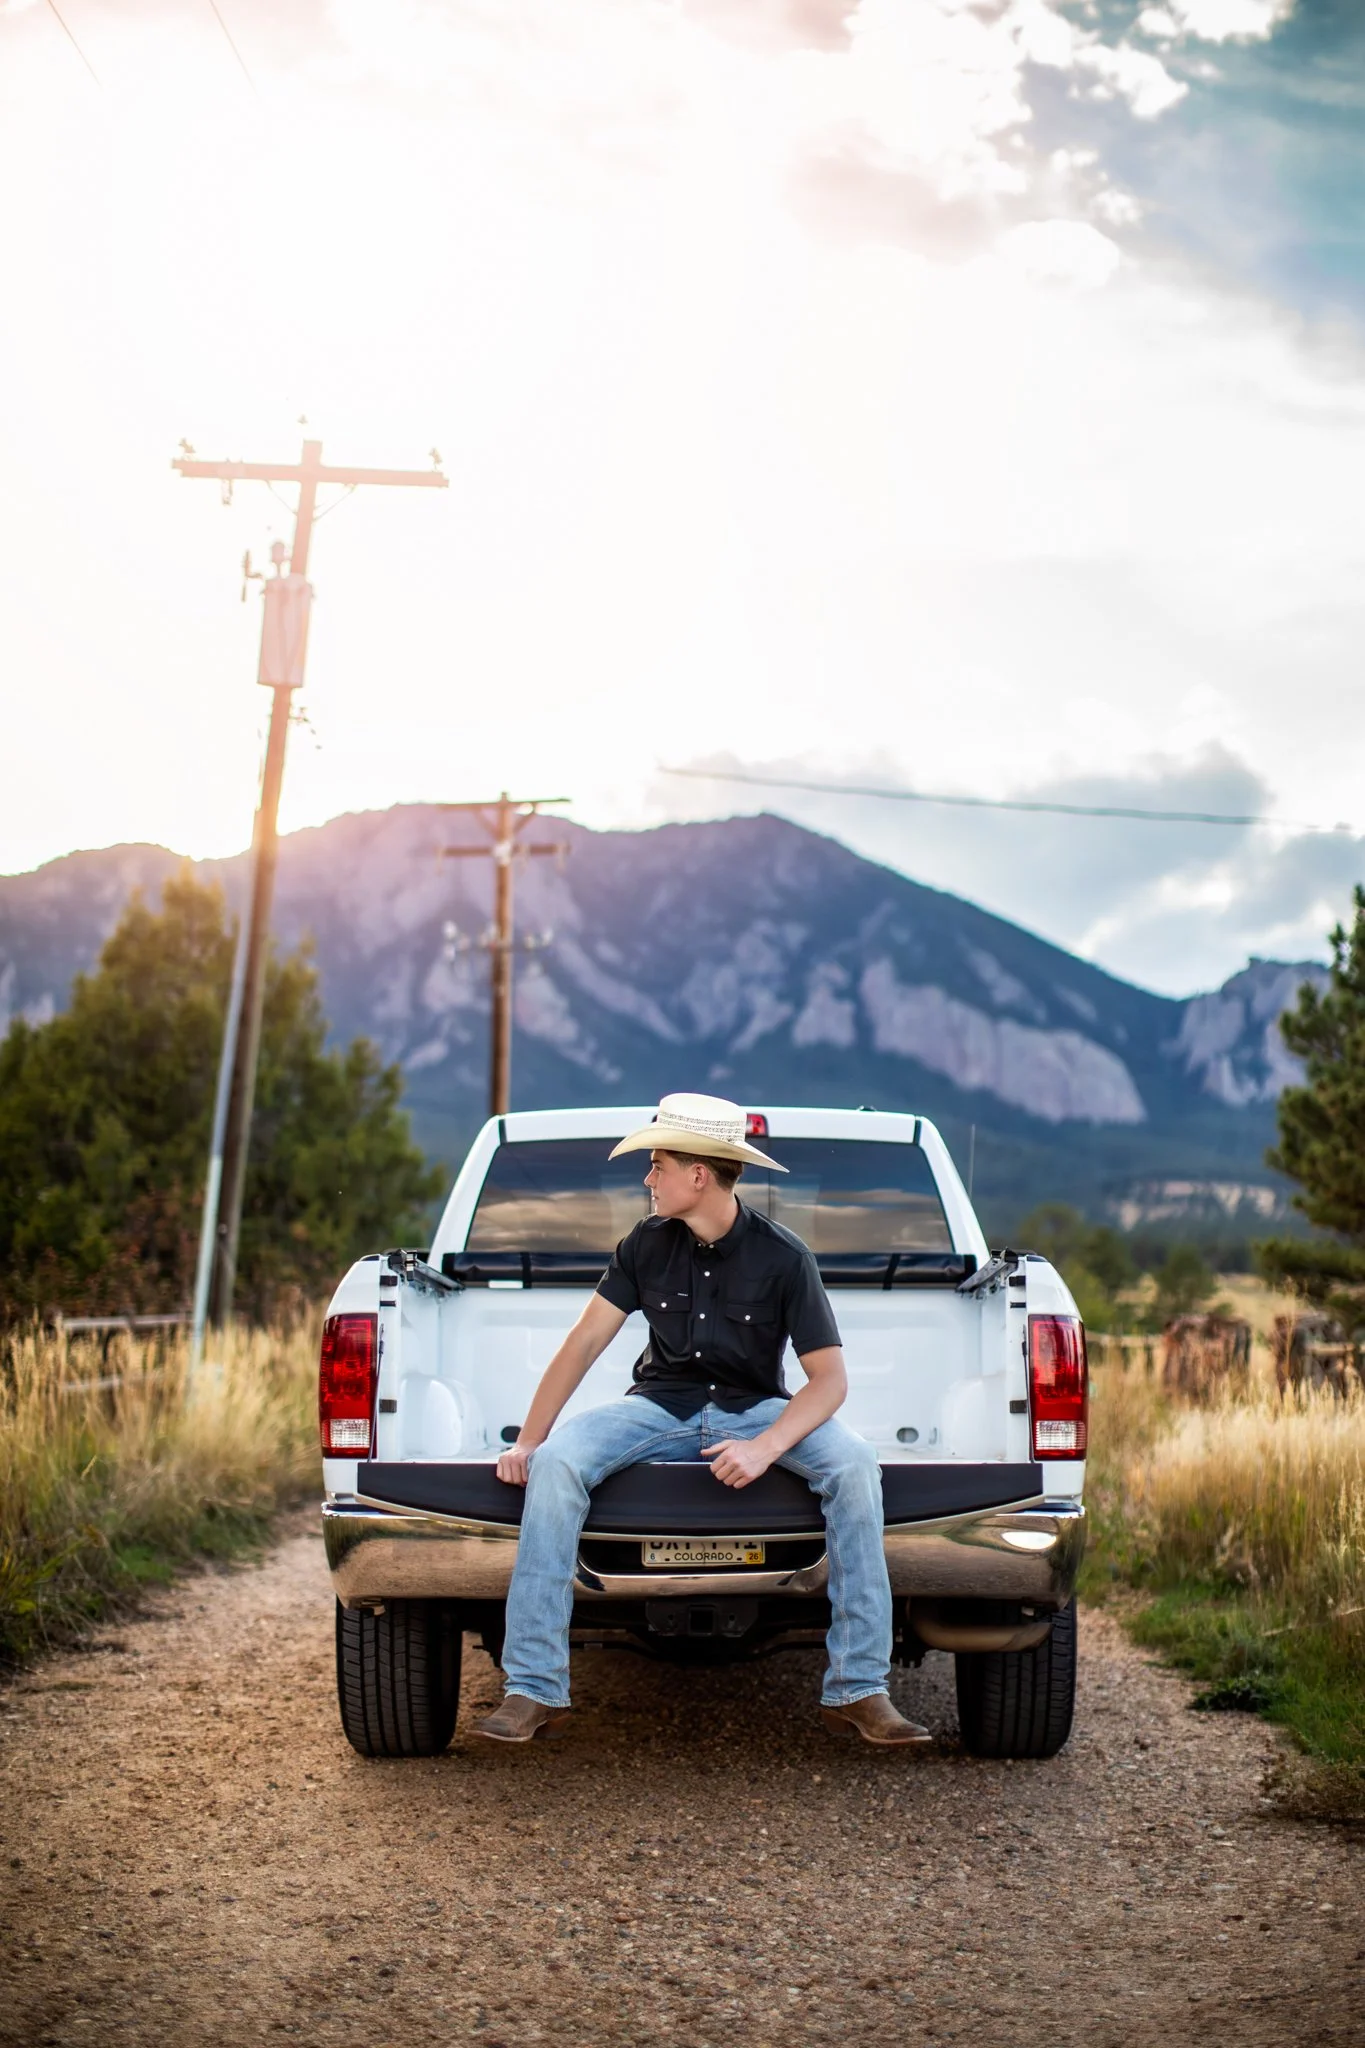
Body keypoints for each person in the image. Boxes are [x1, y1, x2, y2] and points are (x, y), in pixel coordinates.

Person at [474, 1092, 929, 1748]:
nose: (646, 1178)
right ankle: (533, 1688)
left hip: (755, 1411)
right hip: (658, 1407)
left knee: (855, 1464)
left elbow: (828, 1383)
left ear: (699, 1174)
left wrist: (766, 1449)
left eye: (657, 1164)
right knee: (556, 1464)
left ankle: (859, 1690)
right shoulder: (645, 1244)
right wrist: (532, 1438)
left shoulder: (783, 1257)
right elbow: (582, 1342)